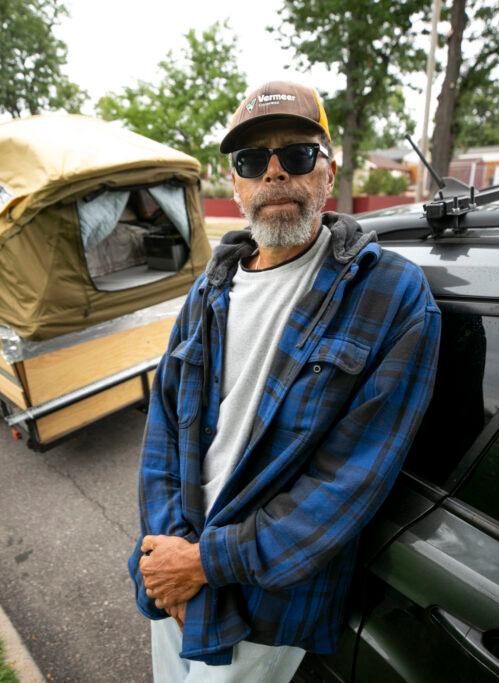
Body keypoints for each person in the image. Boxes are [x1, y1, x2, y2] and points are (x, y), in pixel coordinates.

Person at [129, 81, 441, 682]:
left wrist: (205, 563)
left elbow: (349, 481)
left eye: (296, 154)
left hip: (262, 600)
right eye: (252, 160)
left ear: (329, 170)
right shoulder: (210, 287)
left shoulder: (392, 298)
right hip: (172, 569)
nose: (274, 173)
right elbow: (164, 429)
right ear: (237, 182)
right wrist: (166, 555)